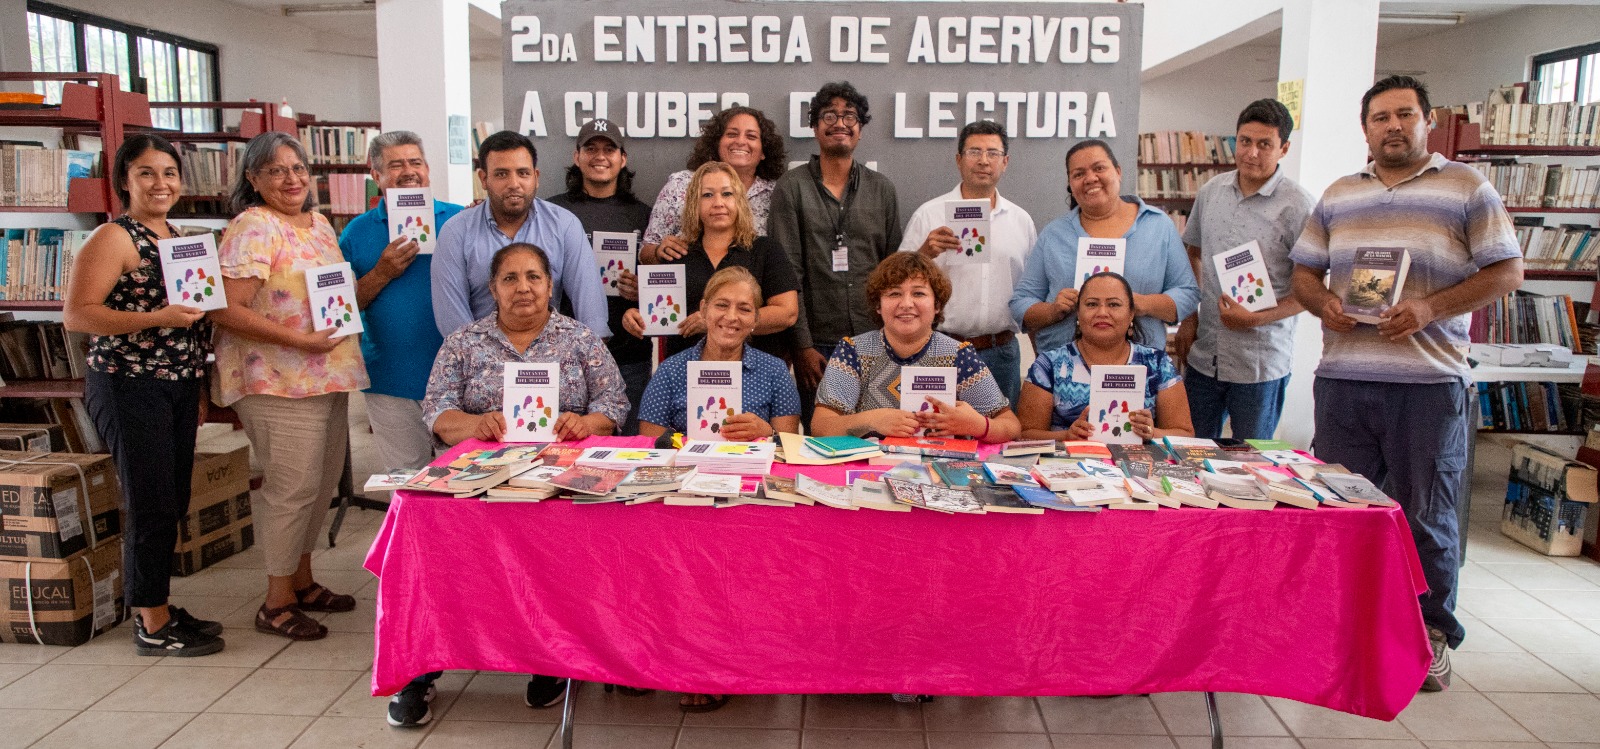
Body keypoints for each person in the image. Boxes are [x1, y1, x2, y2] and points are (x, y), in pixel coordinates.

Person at [1290, 75, 1522, 693]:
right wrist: (1323, 305)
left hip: (1426, 385)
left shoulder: (1467, 187)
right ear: (1364, 128)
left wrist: (1431, 308)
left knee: (1426, 512)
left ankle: (1429, 636)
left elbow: (1507, 270)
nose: (1392, 126)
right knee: (1340, 510)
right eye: (1380, 118)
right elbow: (1305, 275)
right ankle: (1341, 627)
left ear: (1426, 121)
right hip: (1343, 380)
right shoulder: (1340, 195)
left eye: (1405, 115)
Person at [422, 242, 629, 709]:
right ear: (492, 289)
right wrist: (473, 425)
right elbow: (435, 409)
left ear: (550, 285)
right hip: (481, 482)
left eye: (534, 277)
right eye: (510, 279)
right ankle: (422, 668)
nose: (523, 288)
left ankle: (550, 660)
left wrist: (586, 424)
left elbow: (613, 405)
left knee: (560, 551)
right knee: (431, 547)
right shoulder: (463, 342)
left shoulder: (580, 340)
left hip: (561, 482)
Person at [64, 133, 224, 658]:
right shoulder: (115, 238)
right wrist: (156, 317)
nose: (161, 183)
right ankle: (151, 624)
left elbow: (194, 322)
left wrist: (197, 385)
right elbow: (79, 314)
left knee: (172, 499)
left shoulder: (178, 236)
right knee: (151, 502)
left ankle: (154, 602)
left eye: (170, 173)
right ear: (124, 181)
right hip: (128, 383)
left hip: (176, 384)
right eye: (147, 173)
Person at [211, 131, 368, 642]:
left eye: (298, 168)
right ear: (253, 179)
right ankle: (276, 600)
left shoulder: (319, 224)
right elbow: (226, 310)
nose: (292, 178)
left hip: (325, 375)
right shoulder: (253, 227)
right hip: (276, 380)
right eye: (276, 170)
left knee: (321, 483)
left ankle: (302, 581)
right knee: (291, 487)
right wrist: (300, 341)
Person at [1172, 99, 1313, 441]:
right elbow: (1192, 253)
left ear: (1284, 149)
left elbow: (1313, 291)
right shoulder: (1210, 192)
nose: (1251, 153)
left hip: (1260, 363)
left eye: (1265, 144)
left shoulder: (1299, 206)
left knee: (1249, 463)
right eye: (1245, 141)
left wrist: (1257, 319)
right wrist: (1190, 317)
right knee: (1191, 452)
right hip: (1206, 354)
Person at [771, 81, 902, 425]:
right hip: (816, 346)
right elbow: (788, 273)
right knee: (821, 442)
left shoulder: (882, 189)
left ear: (860, 130)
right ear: (814, 127)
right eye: (829, 115)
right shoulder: (792, 187)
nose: (839, 123)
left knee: (877, 436)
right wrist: (801, 346)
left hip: (876, 343)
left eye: (850, 116)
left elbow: (892, 272)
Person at [340, 131, 464, 480]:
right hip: (391, 380)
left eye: (415, 163)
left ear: (427, 169)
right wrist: (381, 273)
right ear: (376, 175)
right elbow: (340, 311)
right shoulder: (356, 232)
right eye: (395, 165)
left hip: (458, 379)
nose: (408, 172)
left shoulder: (460, 220)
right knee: (406, 482)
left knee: (460, 483)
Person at [1009, 139, 1199, 355]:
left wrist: (1141, 303)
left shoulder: (1158, 225)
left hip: (1138, 367)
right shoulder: (1054, 234)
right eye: (1078, 174)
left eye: (1099, 168)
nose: (1090, 178)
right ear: (1070, 184)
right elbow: (1020, 303)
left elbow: (1188, 293)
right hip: (1065, 369)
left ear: (1118, 172)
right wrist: (1053, 310)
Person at [812, 252, 1020, 443]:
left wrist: (978, 425)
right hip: (866, 471)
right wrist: (872, 420)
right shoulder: (853, 351)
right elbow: (821, 427)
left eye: (918, 294)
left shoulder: (958, 355)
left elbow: (1011, 426)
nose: (906, 304)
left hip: (941, 472)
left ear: (937, 305)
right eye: (894, 294)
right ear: (878, 305)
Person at [898, 120, 1037, 405]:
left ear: (1005, 162)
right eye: (974, 151)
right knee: (934, 438)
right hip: (939, 348)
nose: (984, 161)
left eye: (993, 153)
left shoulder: (1021, 221)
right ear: (959, 160)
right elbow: (894, 284)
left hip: (1002, 351)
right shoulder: (929, 215)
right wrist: (924, 252)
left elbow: (1032, 291)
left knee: (1001, 439)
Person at [432, 130, 608, 338]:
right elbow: (454, 325)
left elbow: (592, 315)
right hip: (480, 363)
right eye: (501, 174)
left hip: (552, 361)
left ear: (536, 177)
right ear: (483, 178)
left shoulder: (564, 225)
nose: (514, 184)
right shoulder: (456, 232)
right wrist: (488, 363)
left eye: (523, 173)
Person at [622, 162, 799, 358]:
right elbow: (658, 312)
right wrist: (634, 317)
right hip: (687, 372)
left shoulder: (766, 250)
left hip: (752, 374)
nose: (718, 203)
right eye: (707, 195)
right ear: (693, 204)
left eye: (727, 194)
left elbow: (787, 313)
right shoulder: (677, 254)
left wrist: (713, 321)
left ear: (739, 201)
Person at [546, 118, 652, 434]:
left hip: (628, 355)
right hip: (566, 358)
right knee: (566, 450)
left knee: (629, 451)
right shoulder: (552, 212)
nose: (600, 156)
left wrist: (642, 290)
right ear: (577, 157)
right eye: (590, 148)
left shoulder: (645, 214)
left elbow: (667, 287)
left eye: (609, 149)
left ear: (623, 159)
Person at [1017, 272, 1194, 441]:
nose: (1102, 313)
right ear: (1078, 313)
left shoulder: (1157, 364)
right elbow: (1024, 435)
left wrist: (1152, 432)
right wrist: (1065, 437)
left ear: (1131, 313)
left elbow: (1185, 434)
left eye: (1114, 304)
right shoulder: (1049, 365)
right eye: (1092, 304)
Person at [638, 266, 802, 441]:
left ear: (755, 318)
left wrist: (768, 432)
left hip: (753, 467)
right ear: (703, 309)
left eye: (744, 309)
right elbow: (650, 443)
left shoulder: (774, 370)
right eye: (722, 305)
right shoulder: (671, 370)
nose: (731, 317)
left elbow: (788, 444)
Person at [641, 105, 786, 263]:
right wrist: (658, 252)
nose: (740, 141)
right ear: (717, 143)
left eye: (751, 136)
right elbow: (645, 253)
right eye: (732, 134)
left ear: (764, 151)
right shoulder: (681, 184)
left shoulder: (776, 193)